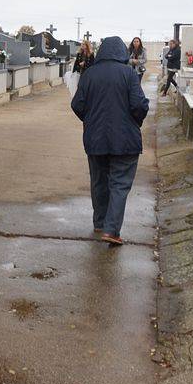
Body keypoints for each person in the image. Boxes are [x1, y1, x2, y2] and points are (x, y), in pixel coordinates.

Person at [71, 36, 149, 246]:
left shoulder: (89, 74)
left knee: (99, 180)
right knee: (119, 183)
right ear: (122, 52)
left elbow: (77, 104)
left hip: (95, 138)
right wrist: (135, 122)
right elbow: (139, 105)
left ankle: (100, 222)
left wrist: (90, 121)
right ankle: (111, 230)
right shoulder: (129, 74)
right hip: (125, 139)